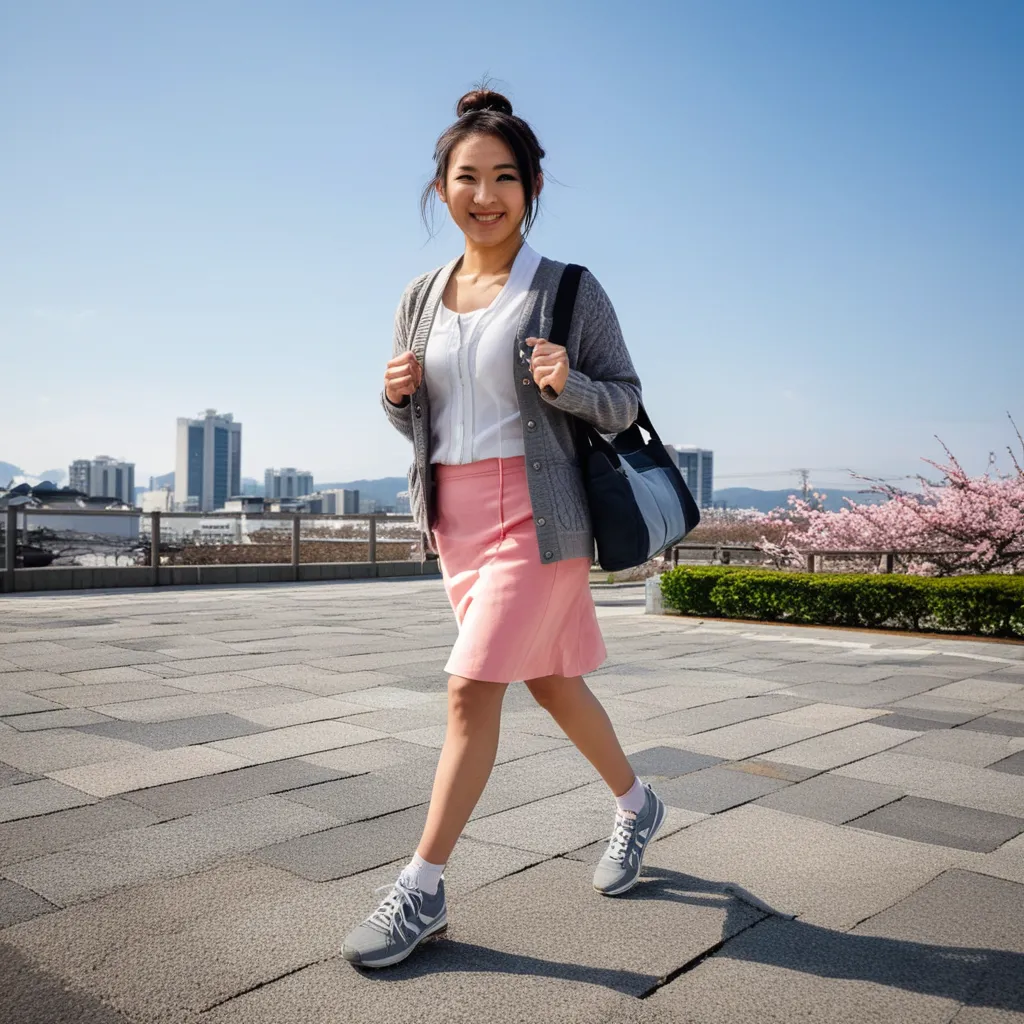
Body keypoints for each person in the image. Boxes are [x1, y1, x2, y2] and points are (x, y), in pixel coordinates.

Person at [342, 87, 664, 970]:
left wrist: (570, 384)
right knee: (552, 683)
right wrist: (396, 397)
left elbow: (625, 399)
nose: (485, 195)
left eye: (504, 179)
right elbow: (424, 427)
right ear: (441, 188)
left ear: (532, 187)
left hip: (539, 513)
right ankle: (638, 806)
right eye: (467, 178)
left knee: (468, 689)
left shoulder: (566, 288)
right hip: (455, 517)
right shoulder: (419, 295)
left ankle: (423, 886)